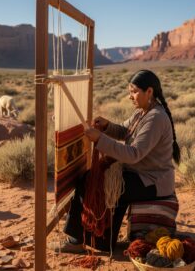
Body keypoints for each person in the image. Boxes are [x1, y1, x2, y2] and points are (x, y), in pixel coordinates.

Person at [48, 69, 180, 253]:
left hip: (152, 180)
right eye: (129, 91)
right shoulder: (143, 112)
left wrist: (99, 139)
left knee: (96, 184)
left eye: (134, 91)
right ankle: (101, 241)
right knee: (92, 180)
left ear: (149, 92)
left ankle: (77, 240)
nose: (130, 96)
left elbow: (134, 154)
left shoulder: (156, 118)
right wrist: (107, 126)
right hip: (140, 174)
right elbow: (124, 131)